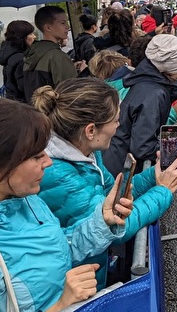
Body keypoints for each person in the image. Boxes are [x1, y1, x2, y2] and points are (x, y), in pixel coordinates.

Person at [33, 78, 177, 289]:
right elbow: (114, 225)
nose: (119, 125)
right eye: (115, 120)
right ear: (90, 131)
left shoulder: (84, 150)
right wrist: (162, 191)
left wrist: (155, 174)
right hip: (75, 286)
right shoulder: (59, 175)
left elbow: (109, 195)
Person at [0, 99, 133, 312]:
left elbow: (60, 246)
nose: (48, 161)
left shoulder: (27, 200)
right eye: (36, 156)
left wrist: (103, 220)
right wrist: (61, 303)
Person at [102, 34, 177, 176]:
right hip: (122, 170)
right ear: (176, 67)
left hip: (115, 157)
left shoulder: (145, 81)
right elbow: (142, 146)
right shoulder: (154, 93)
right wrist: (168, 150)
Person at [22, 5, 80, 103]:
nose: (67, 27)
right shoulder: (57, 56)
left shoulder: (32, 53)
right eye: (63, 23)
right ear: (48, 27)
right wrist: (83, 72)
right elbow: (72, 92)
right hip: (56, 114)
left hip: (36, 113)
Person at [0, 20, 36, 102]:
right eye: (30, 34)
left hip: (13, 102)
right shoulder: (20, 59)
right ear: (22, 37)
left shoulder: (10, 54)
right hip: (23, 105)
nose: (34, 36)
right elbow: (25, 87)